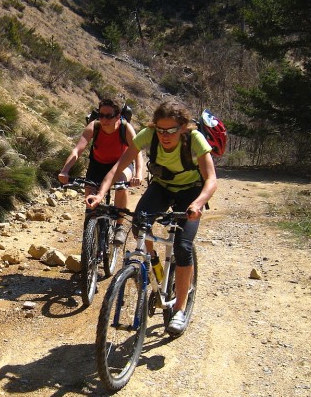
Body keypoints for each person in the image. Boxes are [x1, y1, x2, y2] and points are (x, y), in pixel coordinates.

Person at [86, 100, 217, 335]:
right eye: (160, 130)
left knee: (182, 246)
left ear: (183, 128)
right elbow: (118, 168)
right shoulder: (148, 135)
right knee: (139, 225)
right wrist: (100, 194)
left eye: (171, 130)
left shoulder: (194, 139)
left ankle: (179, 308)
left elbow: (211, 179)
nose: (165, 136)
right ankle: (154, 264)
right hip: (162, 187)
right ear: (154, 127)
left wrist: (197, 204)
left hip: (191, 192)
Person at [58, 98, 145, 243]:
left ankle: (119, 227)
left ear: (118, 116)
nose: (104, 119)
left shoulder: (125, 127)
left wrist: (138, 174)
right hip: (98, 164)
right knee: (90, 192)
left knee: (121, 185)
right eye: (101, 115)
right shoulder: (94, 126)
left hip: (121, 164)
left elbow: (137, 152)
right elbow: (77, 150)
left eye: (108, 116)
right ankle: (90, 227)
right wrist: (65, 170)